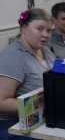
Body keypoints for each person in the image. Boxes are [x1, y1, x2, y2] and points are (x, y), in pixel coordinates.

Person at [0, 9, 55, 139]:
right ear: (23, 28)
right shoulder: (12, 58)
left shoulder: (45, 51)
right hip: (14, 126)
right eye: (40, 29)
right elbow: (1, 102)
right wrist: (44, 104)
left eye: (48, 30)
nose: (46, 35)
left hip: (41, 119)